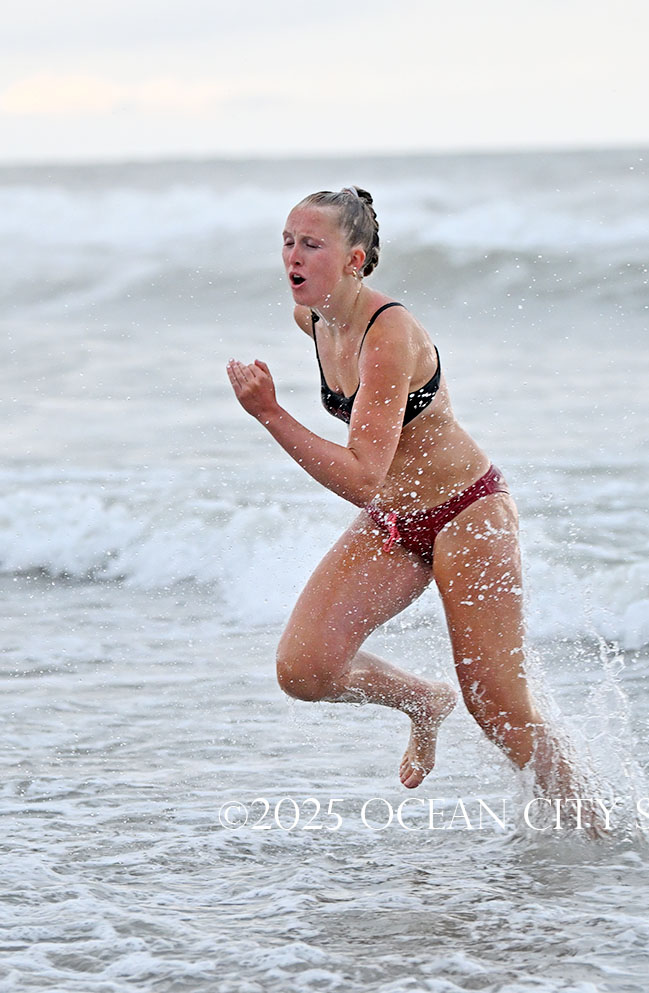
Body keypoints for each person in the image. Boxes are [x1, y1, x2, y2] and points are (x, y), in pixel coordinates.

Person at [227, 186, 583, 803]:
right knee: (305, 670)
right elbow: (377, 488)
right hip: (395, 521)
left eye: (312, 244)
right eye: (287, 242)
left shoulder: (389, 334)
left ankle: (591, 824)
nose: (294, 257)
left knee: (498, 708)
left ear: (354, 260)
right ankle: (423, 700)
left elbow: (363, 476)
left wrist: (270, 414)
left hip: (467, 512)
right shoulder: (312, 319)